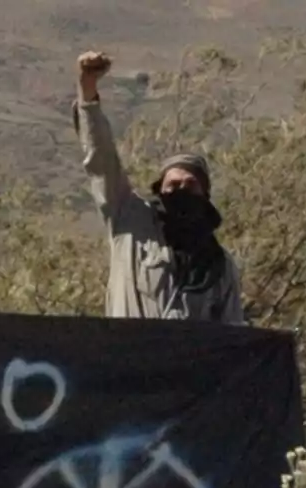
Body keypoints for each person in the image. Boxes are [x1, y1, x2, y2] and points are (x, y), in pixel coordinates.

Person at [74, 51, 244, 324]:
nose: (181, 191)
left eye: (191, 185)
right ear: (160, 189)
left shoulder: (218, 265)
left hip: (186, 367)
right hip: (129, 361)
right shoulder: (130, 221)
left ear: (205, 194)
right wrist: (87, 90)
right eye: (173, 184)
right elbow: (101, 160)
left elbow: (231, 335)